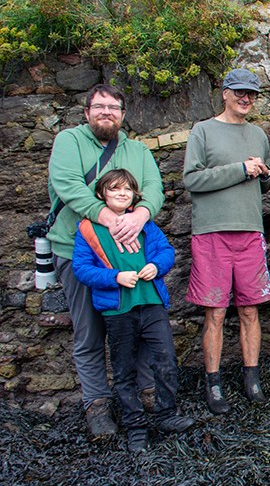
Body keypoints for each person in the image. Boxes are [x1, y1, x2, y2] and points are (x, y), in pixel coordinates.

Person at [47, 83, 164, 436]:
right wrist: (109, 217)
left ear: (123, 115)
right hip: (77, 249)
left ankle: (146, 394)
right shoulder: (69, 141)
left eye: (113, 108)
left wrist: (140, 215)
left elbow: (154, 189)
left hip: (130, 256)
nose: (106, 113)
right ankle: (97, 404)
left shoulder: (138, 150)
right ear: (87, 112)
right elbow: (67, 184)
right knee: (88, 331)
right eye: (99, 107)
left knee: (138, 326)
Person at [72, 169, 195, 452]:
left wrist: (158, 266)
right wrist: (114, 277)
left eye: (127, 189)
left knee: (166, 360)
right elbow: (81, 269)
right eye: (114, 189)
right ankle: (135, 426)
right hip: (118, 311)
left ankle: (167, 415)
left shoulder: (145, 224)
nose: (122, 194)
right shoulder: (88, 229)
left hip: (151, 304)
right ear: (102, 194)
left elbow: (165, 251)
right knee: (124, 370)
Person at [183, 68, 270, 414]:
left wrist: (265, 173)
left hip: (250, 231)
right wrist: (240, 169)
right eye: (239, 92)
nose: (246, 98)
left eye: (251, 93)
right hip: (212, 232)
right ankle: (214, 383)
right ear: (224, 93)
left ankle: (252, 379)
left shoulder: (259, 135)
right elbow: (192, 179)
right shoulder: (203, 130)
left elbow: (264, 186)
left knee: (250, 310)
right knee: (216, 312)